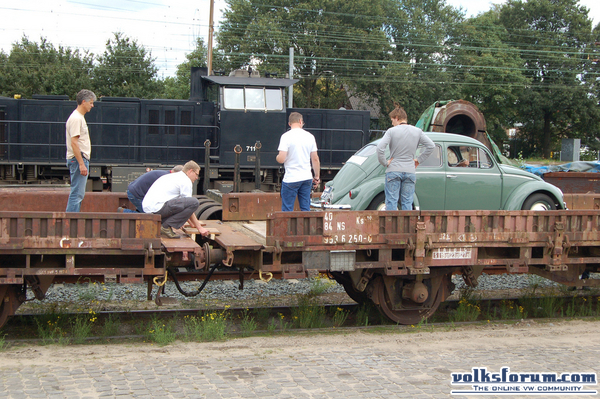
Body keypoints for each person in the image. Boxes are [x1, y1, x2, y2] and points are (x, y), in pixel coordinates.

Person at [376, 105, 435, 211]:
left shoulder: (391, 131)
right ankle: (407, 226)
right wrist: (419, 160)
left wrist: (385, 162)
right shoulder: (417, 131)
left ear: (397, 118)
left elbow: (380, 148)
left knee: (391, 201)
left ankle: (391, 226)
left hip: (394, 170)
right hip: (410, 170)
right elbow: (431, 146)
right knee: (407, 201)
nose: (392, 123)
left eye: (392, 120)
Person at [142, 161, 210, 239]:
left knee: (185, 202)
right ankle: (166, 227)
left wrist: (191, 223)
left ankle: (164, 225)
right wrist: (199, 228)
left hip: (151, 209)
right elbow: (190, 206)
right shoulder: (185, 181)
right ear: (190, 171)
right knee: (194, 202)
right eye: (196, 174)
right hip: (157, 208)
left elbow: (183, 206)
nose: (197, 177)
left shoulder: (173, 176)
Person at [276, 112, 320, 211]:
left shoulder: (286, 136)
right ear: (300, 121)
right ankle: (306, 226)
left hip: (291, 178)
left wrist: (277, 157)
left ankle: (288, 226)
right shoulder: (310, 136)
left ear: (289, 124)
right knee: (305, 208)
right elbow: (315, 159)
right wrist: (316, 177)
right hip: (306, 178)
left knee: (287, 209)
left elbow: (281, 159)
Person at [65, 89, 97, 212]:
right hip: (78, 159)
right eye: (91, 102)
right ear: (84, 102)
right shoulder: (76, 118)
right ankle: (71, 223)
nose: (92, 105)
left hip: (79, 159)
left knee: (78, 194)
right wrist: (81, 164)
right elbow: (74, 142)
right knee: (77, 194)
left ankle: (73, 221)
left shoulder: (78, 117)